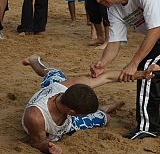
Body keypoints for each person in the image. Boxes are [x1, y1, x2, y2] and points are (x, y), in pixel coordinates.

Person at [21, 54, 154, 153]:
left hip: (55, 91)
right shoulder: (35, 118)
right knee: (104, 118)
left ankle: (34, 60)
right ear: (73, 113)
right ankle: (105, 109)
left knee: (55, 73)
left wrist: (142, 74)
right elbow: (37, 142)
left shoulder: (70, 85)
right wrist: (49, 147)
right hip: (46, 115)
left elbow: (107, 77)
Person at [91, 0, 160, 139]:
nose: (98, 0)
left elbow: (155, 30)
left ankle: (148, 127)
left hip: (158, 33)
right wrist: (102, 63)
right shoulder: (114, 9)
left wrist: (134, 63)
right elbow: (115, 41)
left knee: (147, 66)